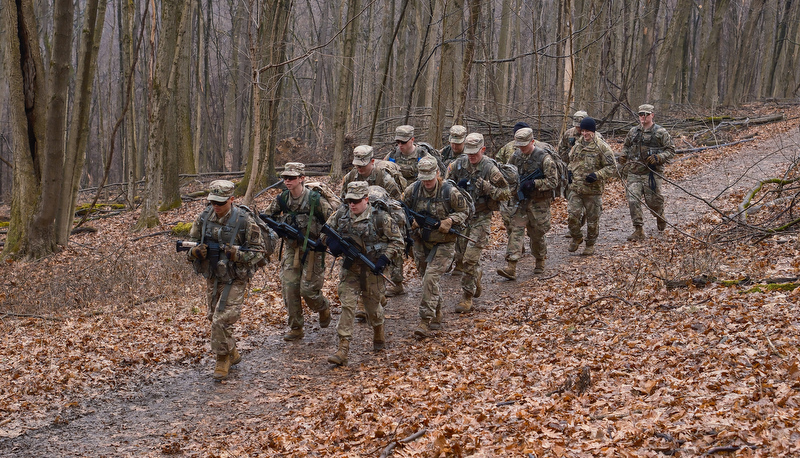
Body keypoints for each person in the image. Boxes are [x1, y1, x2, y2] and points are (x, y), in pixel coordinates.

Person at [186, 180, 265, 380]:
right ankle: (232, 352)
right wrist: (194, 252)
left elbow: (259, 252)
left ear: (232, 199)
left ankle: (222, 359)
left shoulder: (244, 220)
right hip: (213, 276)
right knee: (213, 317)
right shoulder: (204, 218)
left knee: (221, 320)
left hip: (236, 277)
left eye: (220, 202)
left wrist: (237, 256)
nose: (216, 206)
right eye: (213, 201)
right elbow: (190, 245)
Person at [324, 181, 405, 366]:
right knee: (348, 305)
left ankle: (378, 331)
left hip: (372, 270)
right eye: (349, 200)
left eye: (356, 200)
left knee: (373, 309)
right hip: (350, 270)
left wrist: (384, 258)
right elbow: (325, 232)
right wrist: (332, 244)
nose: (352, 204)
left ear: (366, 200)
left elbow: (398, 241)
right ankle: (343, 348)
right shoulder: (341, 215)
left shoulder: (380, 218)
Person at [264, 162, 335, 342]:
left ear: (302, 178)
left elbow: (334, 222)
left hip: (313, 250)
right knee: (290, 288)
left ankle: (323, 307)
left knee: (309, 291)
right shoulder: (282, 199)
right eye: (285, 178)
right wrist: (278, 229)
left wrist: (323, 242)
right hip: (291, 248)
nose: (287, 181)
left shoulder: (314, 199)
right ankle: (296, 327)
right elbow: (266, 218)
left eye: (292, 178)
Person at [402, 156, 470, 336]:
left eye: (430, 178)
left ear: (438, 174)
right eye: (423, 178)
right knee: (427, 279)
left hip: (444, 243)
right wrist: (411, 221)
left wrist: (450, 220)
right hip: (421, 242)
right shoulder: (413, 190)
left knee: (430, 279)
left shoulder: (449, 192)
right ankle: (437, 310)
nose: (427, 182)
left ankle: (425, 320)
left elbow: (465, 211)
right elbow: (399, 209)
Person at [445, 133, 510, 313]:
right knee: (460, 257)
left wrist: (489, 188)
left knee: (469, 260)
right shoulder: (457, 165)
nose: (471, 156)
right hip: (461, 219)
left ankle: (467, 297)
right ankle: (476, 276)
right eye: (469, 152)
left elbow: (506, 193)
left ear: (483, 149)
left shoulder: (490, 169)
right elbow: (443, 188)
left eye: (475, 152)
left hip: (481, 217)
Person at [498, 128, 558, 279]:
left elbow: (553, 181)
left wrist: (535, 183)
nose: (522, 148)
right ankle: (511, 266)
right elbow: (509, 176)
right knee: (515, 230)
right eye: (519, 145)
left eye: (525, 145)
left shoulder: (544, 158)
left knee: (537, 234)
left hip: (539, 203)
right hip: (521, 202)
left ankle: (539, 261)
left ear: (532, 141)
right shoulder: (515, 157)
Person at [619, 104, 675, 241]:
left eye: (646, 114)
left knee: (653, 202)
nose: (643, 117)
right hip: (634, 172)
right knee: (633, 200)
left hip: (652, 172)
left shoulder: (660, 132)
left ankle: (660, 216)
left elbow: (671, 150)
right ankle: (638, 229)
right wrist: (623, 156)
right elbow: (626, 146)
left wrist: (659, 157)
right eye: (641, 114)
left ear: (652, 115)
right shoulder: (633, 132)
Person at [566, 117, 617, 255]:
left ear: (593, 131)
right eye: (583, 130)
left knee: (592, 220)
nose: (585, 133)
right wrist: (569, 172)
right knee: (572, 216)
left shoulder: (602, 147)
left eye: (588, 131)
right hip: (576, 188)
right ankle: (577, 237)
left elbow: (612, 167)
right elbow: (571, 161)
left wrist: (597, 175)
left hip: (593, 190)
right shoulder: (577, 145)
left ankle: (590, 244)